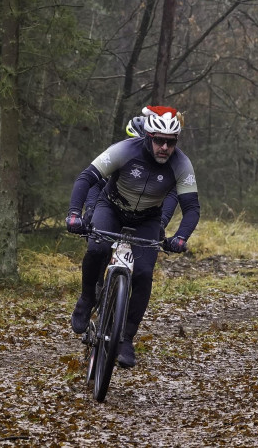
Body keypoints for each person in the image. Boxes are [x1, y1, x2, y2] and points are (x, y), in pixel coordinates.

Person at [65, 105, 199, 368]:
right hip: (111, 207)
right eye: (159, 140)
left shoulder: (181, 164)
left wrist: (181, 237)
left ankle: (125, 337)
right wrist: (74, 214)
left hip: (147, 219)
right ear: (148, 137)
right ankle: (86, 299)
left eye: (170, 142)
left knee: (143, 273)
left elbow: (191, 207)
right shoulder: (125, 150)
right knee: (97, 250)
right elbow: (85, 178)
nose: (164, 147)